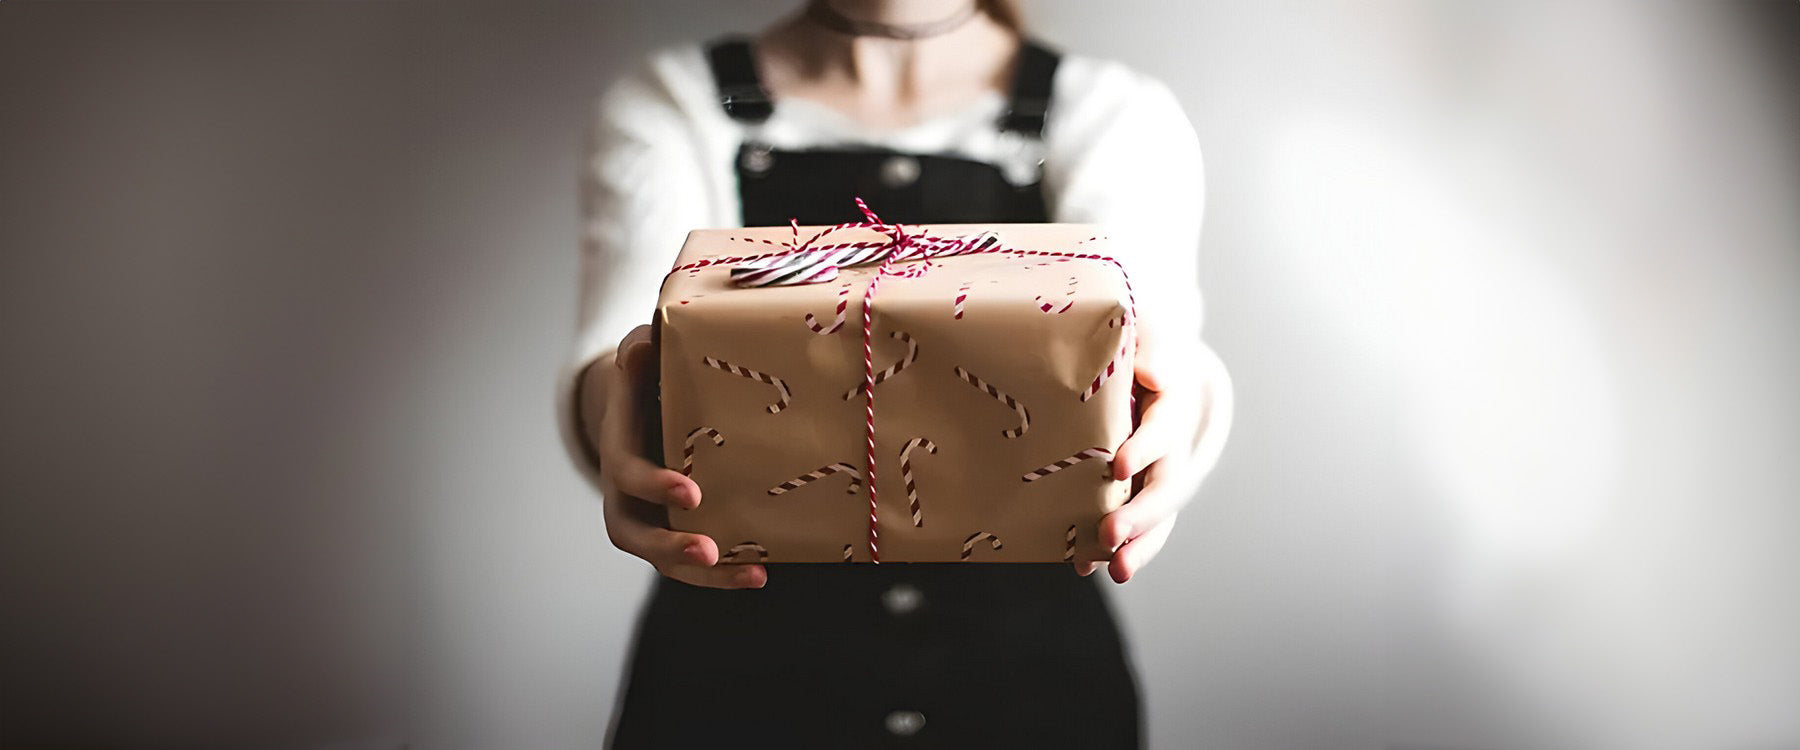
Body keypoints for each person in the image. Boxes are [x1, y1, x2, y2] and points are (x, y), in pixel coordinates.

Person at [553, 1, 1233, 745]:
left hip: (1030, 691)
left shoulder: (1110, 111)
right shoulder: (674, 102)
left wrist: (1177, 410)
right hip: (737, 690)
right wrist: (615, 414)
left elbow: (1157, 341)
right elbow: (626, 342)